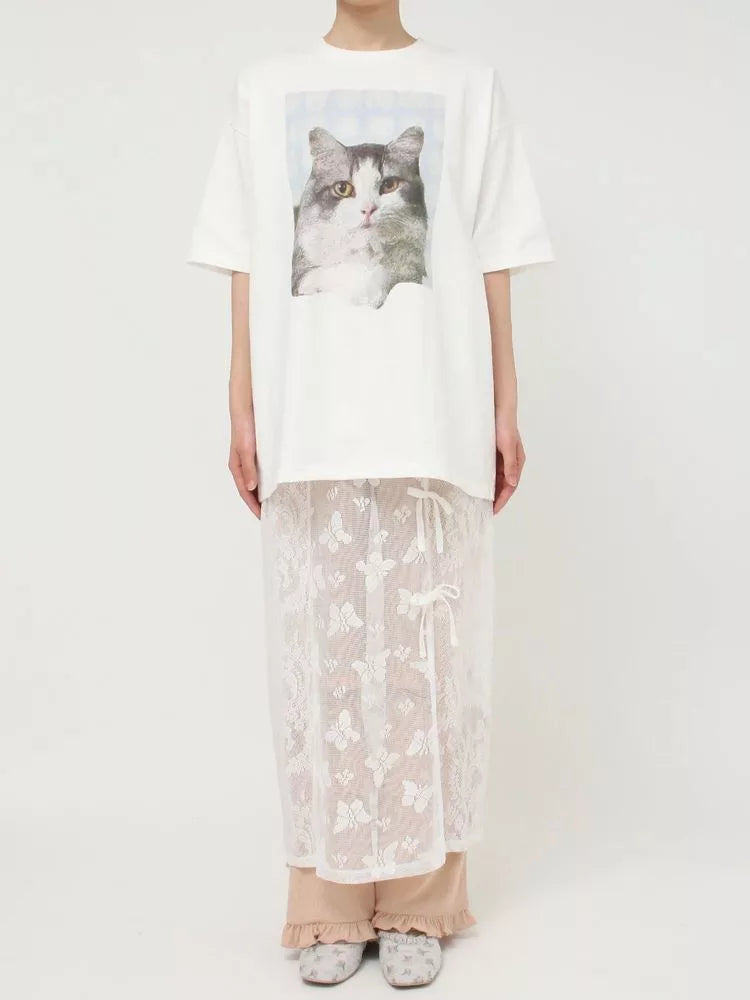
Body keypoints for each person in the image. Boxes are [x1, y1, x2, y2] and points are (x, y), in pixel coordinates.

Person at [188, 0, 555, 987]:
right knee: (323, 660)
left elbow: (493, 256)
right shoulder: (264, 88)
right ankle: (327, 904)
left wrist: (506, 402)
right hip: (309, 416)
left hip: (435, 409)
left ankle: (423, 899)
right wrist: (241, 403)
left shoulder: (468, 86)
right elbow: (245, 257)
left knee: (431, 658)